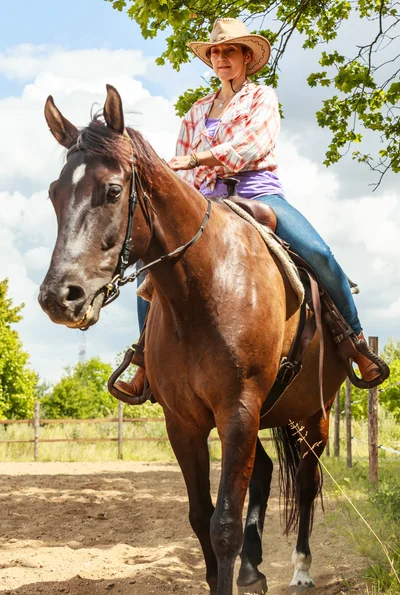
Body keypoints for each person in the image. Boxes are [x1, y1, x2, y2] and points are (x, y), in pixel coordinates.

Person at [115, 18, 384, 398]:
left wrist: (198, 160)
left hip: (259, 194)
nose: (221, 58)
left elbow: (251, 148)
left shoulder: (262, 98)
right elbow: (181, 166)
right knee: (152, 261)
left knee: (318, 253)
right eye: (215, 52)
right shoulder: (195, 112)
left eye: (229, 51)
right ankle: (145, 361)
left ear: (245, 57)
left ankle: (354, 342)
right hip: (206, 204)